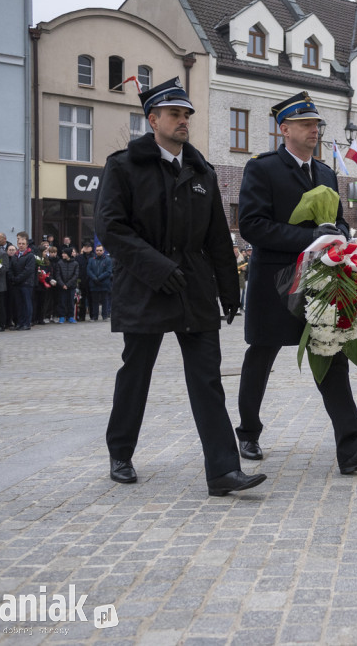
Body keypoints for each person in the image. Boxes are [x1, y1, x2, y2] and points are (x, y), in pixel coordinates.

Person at [95, 76, 264, 496]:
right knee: (136, 372)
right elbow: (111, 229)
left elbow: (216, 239)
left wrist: (229, 290)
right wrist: (156, 267)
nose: (183, 120)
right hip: (144, 285)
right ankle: (121, 451)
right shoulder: (123, 166)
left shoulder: (200, 169)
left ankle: (223, 471)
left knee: (207, 378)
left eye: (187, 114)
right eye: (174, 113)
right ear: (152, 119)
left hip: (193, 286)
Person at [237, 91, 357, 474]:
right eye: (305, 124)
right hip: (275, 283)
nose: (314, 130)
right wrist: (309, 238)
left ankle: (351, 447)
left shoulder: (324, 172)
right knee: (261, 356)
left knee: (331, 355)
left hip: (320, 282)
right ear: (284, 129)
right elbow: (253, 226)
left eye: (317, 124)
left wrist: (339, 237)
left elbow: (336, 221)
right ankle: (248, 431)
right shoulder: (262, 168)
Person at [10, 233, 35, 330]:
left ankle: (26, 323)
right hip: (16, 284)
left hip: (26, 283)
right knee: (18, 304)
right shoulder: (15, 256)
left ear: (26, 245)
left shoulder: (30, 256)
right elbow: (10, 268)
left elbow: (28, 271)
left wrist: (17, 278)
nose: (21, 245)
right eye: (19, 243)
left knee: (26, 304)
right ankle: (19, 323)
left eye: (23, 243)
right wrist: (12, 277)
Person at [87, 244, 113, 321]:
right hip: (94, 283)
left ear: (103, 251)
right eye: (97, 250)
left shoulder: (108, 260)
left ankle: (105, 316)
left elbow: (108, 271)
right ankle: (95, 316)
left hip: (104, 283)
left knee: (105, 300)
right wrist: (94, 278)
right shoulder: (91, 260)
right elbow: (89, 270)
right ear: (95, 251)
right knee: (94, 301)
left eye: (100, 250)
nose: (99, 252)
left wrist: (99, 278)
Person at [54, 247, 79, 323]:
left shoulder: (75, 263)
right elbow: (57, 275)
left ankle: (70, 316)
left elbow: (76, 275)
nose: (62, 255)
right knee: (62, 301)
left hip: (71, 286)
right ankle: (62, 316)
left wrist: (68, 284)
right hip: (62, 286)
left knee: (71, 301)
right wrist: (62, 284)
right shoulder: (59, 263)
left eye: (64, 253)